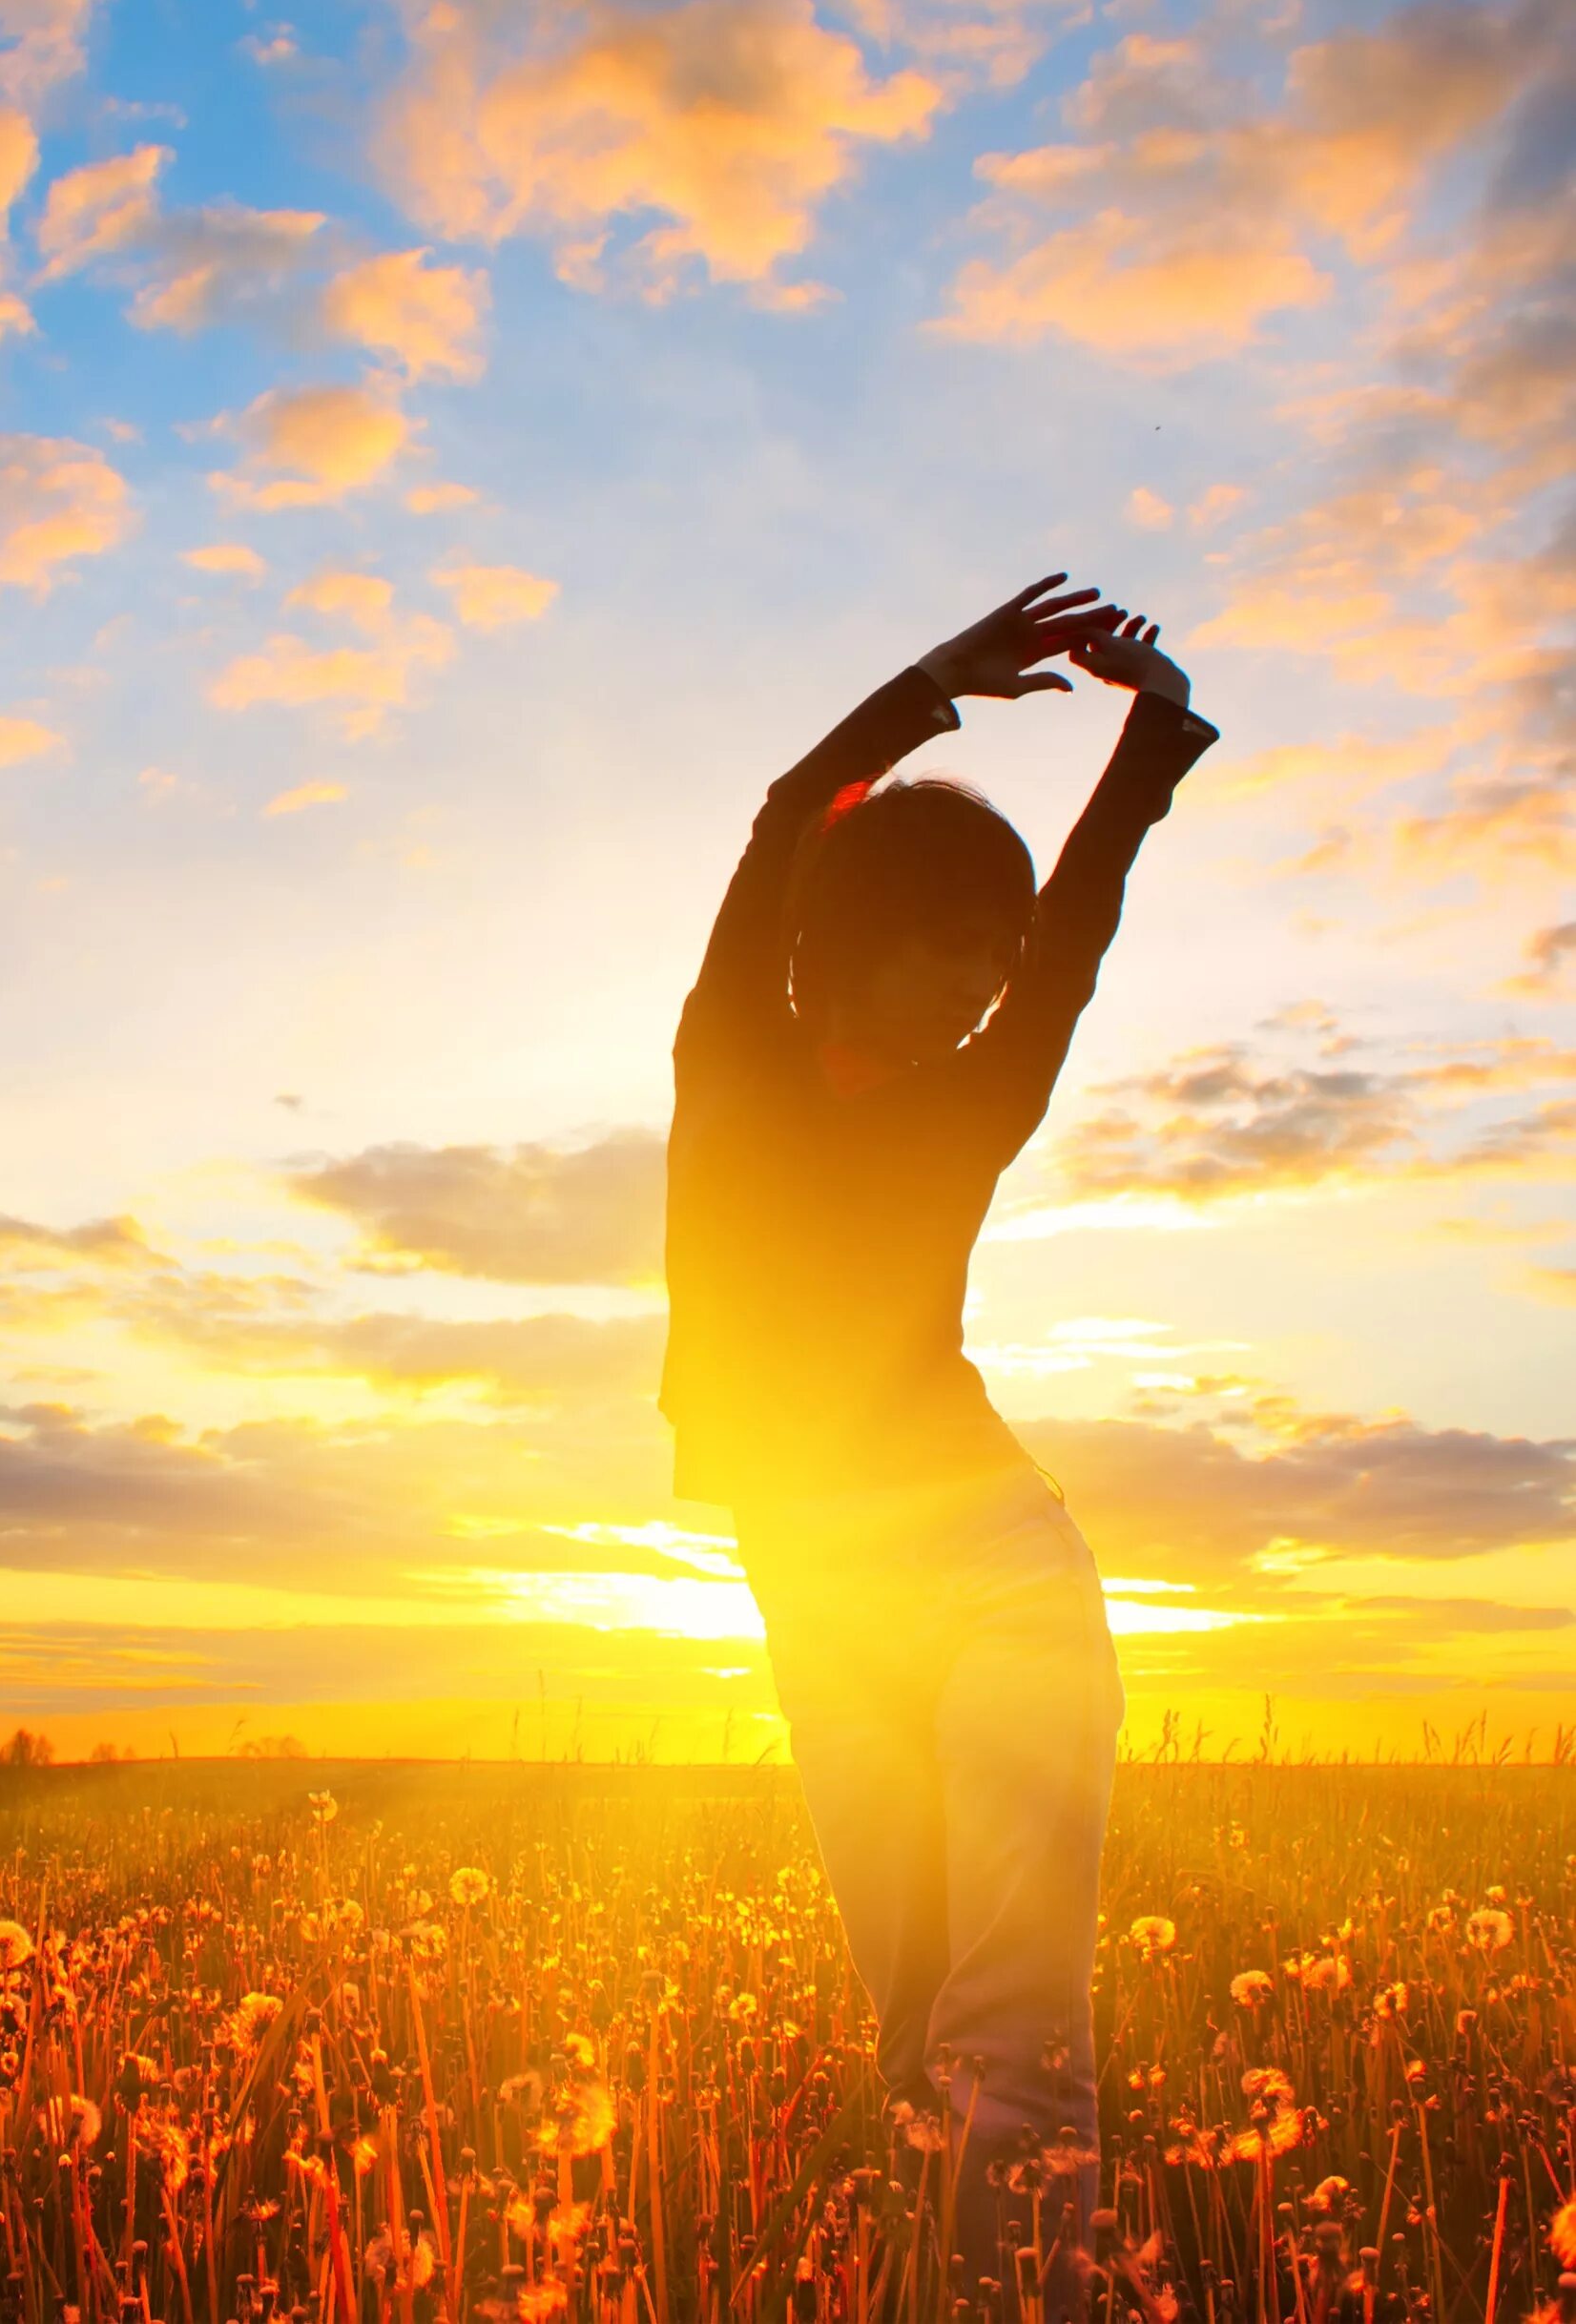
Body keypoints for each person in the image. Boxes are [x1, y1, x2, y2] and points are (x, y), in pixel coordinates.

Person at [657, 578, 1218, 2319]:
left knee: (1006, 2035)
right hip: (822, 1600)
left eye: (992, 953)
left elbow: (1076, 933)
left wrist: (1150, 736)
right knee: (915, 2032)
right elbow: (778, 829)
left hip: (997, 1576)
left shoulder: (983, 1090)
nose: (985, 978)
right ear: (841, 936)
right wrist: (921, 688)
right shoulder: (730, 1055)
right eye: (946, 942)